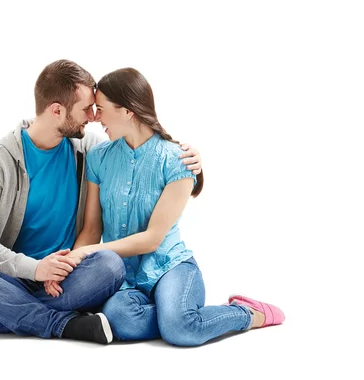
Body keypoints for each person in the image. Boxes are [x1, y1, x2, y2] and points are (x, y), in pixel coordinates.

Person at [0, 60, 203, 345]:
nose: (92, 117)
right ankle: (63, 324)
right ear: (57, 111)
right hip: (14, 276)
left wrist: (193, 159)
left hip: (69, 280)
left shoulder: (90, 151)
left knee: (110, 266)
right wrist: (35, 269)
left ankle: (0, 317)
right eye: (86, 109)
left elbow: (137, 151)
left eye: (97, 109)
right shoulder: (2, 161)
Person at [46, 68, 284, 346]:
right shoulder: (99, 158)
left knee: (181, 330)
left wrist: (89, 251)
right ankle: (176, 316)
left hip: (170, 267)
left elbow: (152, 239)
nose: (96, 118)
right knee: (120, 319)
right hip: (125, 276)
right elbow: (91, 228)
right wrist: (68, 268)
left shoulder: (177, 160)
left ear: (128, 111)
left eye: (101, 108)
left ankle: (246, 313)